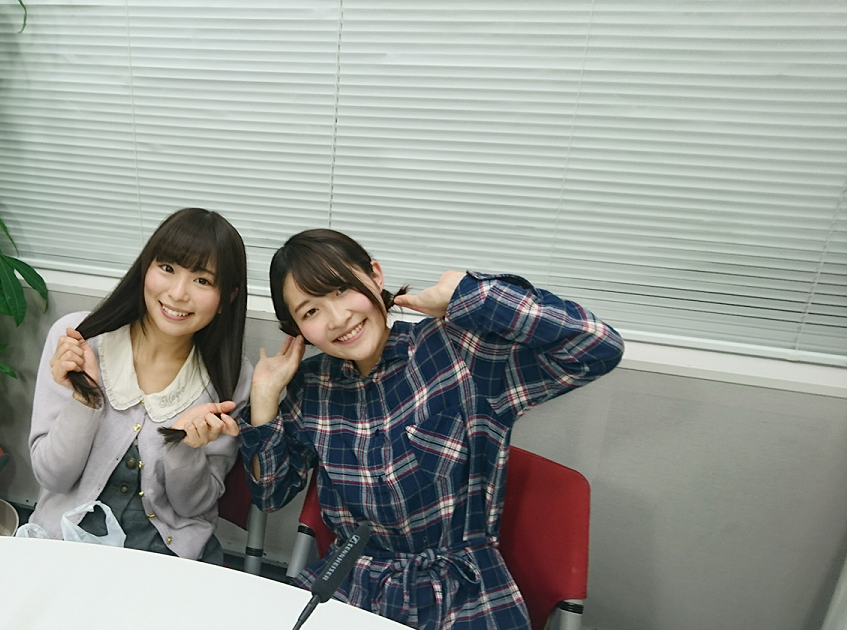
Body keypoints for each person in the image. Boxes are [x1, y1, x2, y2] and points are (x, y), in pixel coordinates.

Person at [240, 229, 624, 629]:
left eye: (341, 290)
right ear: (297, 329)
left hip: (462, 593)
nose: (338, 319)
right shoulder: (312, 386)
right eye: (310, 312)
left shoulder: (459, 350)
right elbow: (270, 494)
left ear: (375, 275)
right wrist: (264, 398)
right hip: (354, 586)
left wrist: (468, 294)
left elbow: (597, 347)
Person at [27, 208, 251, 564]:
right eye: (168, 268)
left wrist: (185, 449)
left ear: (227, 297)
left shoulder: (231, 376)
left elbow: (194, 507)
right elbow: (52, 477)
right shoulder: (78, 340)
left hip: (167, 558)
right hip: (68, 544)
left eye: (202, 280)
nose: (178, 293)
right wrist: (86, 398)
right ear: (146, 267)